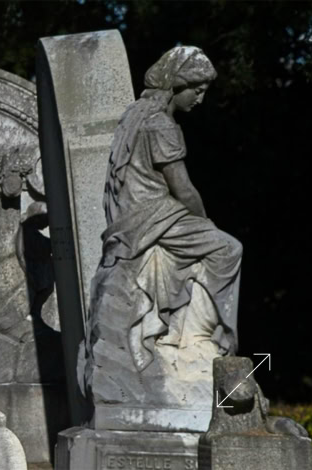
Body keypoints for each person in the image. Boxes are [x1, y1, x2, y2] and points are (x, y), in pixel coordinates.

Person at [89, 46, 243, 372]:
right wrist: (206, 223)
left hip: (132, 216)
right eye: (197, 90)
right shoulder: (161, 125)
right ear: (177, 84)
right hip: (153, 217)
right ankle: (199, 335)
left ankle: (183, 330)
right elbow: (183, 189)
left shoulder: (135, 115)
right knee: (228, 248)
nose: (200, 99)